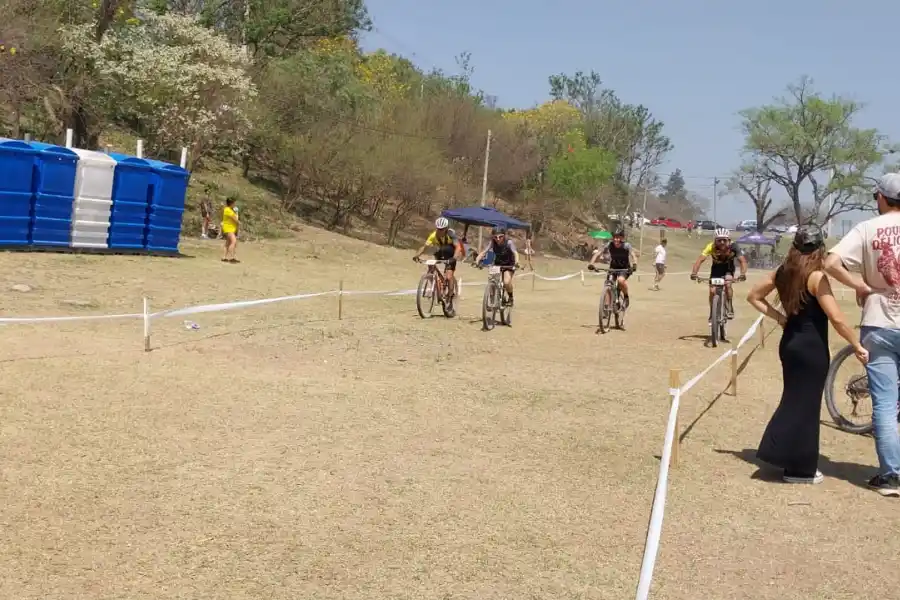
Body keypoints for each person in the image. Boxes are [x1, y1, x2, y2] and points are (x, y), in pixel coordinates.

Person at [746, 225, 867, 485]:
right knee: (806, 405)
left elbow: (753, 296)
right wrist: (856, 344)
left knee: (795, 399)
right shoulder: (816, 277)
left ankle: (792, 459)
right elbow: (836, 317)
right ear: (820, 249)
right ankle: (799, 468)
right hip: (811, 347)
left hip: (789, 343)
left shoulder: (783, 272)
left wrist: (781, 318)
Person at [824, 173, 900, 496]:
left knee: (883, 402)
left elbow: (831, 262)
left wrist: (861, 286)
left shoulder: (867, 229)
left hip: (879, 322)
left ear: (881, 198)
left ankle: (892, 476)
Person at [690, 228, 747, 321]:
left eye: (724, 240)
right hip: (716, 269)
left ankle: (729, 305)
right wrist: (694, 273)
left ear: (729, 240)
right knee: (712, 291)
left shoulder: (734, 247)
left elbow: (742, 261)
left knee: (728, 284)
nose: (721, 243)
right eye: (719, 240)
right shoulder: (711, 247)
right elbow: (700, 260)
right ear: (715, 241)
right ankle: (712, 312)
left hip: (728, 268)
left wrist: (743, 274)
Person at [413, 217, 464, 299]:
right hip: (441, 252)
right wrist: (417, 255)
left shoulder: (451, 234)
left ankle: (450, 295)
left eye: (442, 229)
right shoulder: (433, 235)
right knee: (431, 263)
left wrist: (454, 258)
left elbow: (458, 247)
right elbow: (425, 247)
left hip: (451, 253)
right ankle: (435, 282)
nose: (440, 231)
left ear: (446, 228)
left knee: (448, 276)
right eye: (438, 229)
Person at [586, 227, 638, 308]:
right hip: (613, 267)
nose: (616, 240)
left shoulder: (626, 245)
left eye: (618, 237)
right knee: (608, 283)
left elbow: (633, 255)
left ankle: (626, 297)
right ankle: (607, 306)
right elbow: (598, 253)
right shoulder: (609, 244)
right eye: (614, 237)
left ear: (622, 238)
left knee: (620, 281)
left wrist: (634, 265)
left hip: (624, 268)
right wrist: (591, 264)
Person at [475, 226, 520, 306]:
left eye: (500, 237)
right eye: (495, 237)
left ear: (504, 236)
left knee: (506, 282)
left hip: (509, 265)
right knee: (492, 279)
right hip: (498, 263)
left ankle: (510, 298)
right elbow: (484, 252)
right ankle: (492, 298)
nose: (498, 239)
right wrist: (477, 260)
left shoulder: (509, 242)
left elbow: (515, 253)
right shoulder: (493, 242)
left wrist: (516, 263)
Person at [221, 197, 239, 263]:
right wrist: (236, 213)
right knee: (233, 242)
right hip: (229, 228)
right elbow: (235, 219)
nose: (234, 204)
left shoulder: (230, 210)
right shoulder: (228, 210)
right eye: (234, 203)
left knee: (227, 243)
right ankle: (231, 258)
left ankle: (224, 257)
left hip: (230, 228)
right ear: (231, 203)